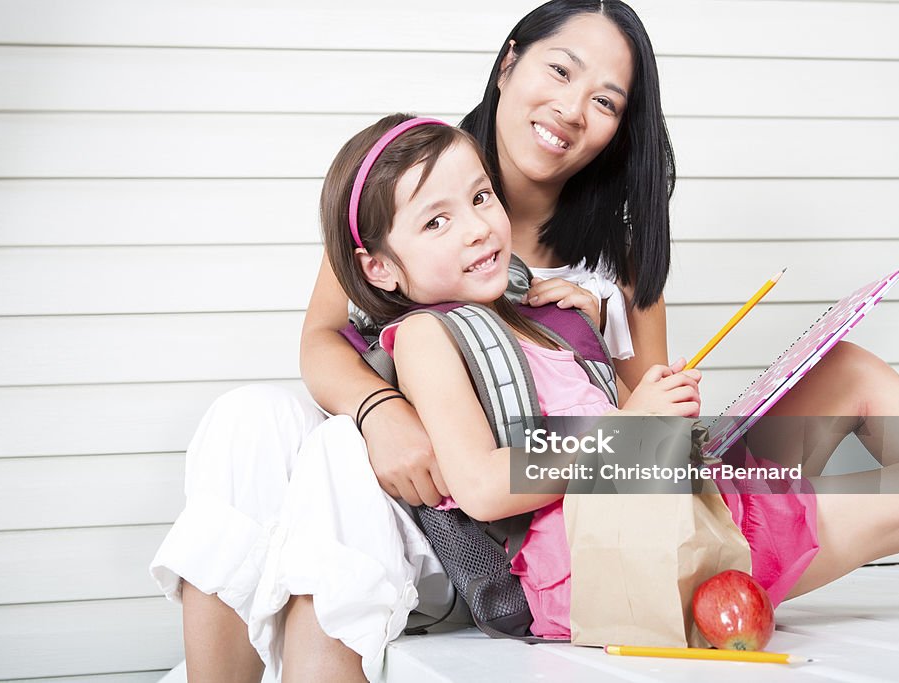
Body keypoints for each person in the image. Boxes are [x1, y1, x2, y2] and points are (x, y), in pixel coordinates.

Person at [154, 3, 675, 680]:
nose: (572, 109)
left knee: (338, 455)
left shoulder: (618, 262)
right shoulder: (410, 174)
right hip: (400, 465)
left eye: (605, 100)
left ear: (621, 128)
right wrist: (381, 412)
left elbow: (657, 440)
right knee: (246, 419)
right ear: (509, 60)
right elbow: (320, 338)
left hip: (483, 521)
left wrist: (593, 340)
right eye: (559, 70)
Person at [320, 113, 899, 639]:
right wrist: (634, 425)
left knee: (850, 369)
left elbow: (631, 434)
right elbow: (479, 486)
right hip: (610, 560)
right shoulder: (427, 336)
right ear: (380, 269)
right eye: (435, 223)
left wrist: (600, 354)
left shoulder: (534, 314)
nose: (477, 227)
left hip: (652, 507)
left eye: (481, 198)